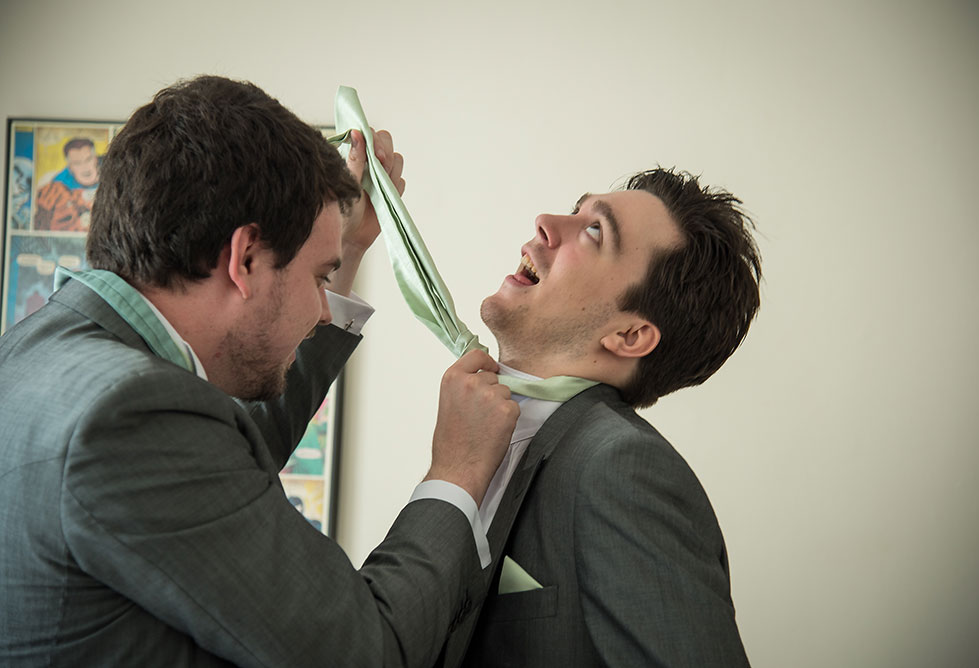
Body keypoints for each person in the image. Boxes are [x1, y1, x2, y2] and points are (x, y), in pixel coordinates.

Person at [0, 75, 519, 667]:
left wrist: (341, 251)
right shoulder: (128, 419)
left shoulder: (40, 353)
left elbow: (225, 459)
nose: (324, 308)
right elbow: (365, 654)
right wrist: (456, 472)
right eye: (319, 280)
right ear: (244, 259)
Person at [433, 168, 761, 667]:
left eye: (594, 231)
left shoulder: (623, 469)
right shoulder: (477, 433)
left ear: (630, 336)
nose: (544, 221)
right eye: (576, 209)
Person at [34, 136, 102, 231]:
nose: (85, 167)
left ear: (96, 159)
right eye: (77, 163)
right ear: (70, 167)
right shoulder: (58, 185)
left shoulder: (112, 170)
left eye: (88, 159)